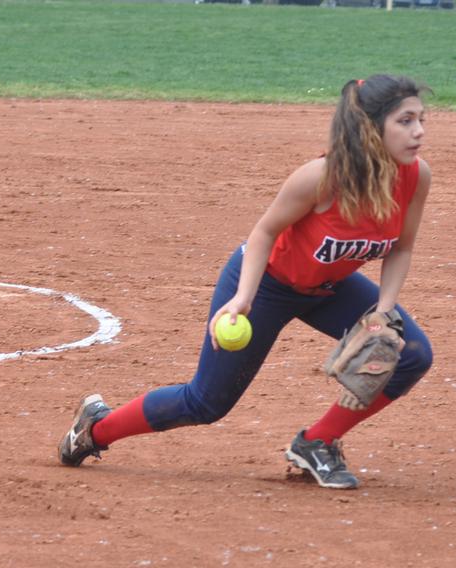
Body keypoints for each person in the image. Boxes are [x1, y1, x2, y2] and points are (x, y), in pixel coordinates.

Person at [58, 74, 434, 490]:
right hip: (268, 284)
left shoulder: (415, 176)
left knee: (411, 353)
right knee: (206, 402)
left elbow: (401, 248)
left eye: (421, 119)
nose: (418, 131)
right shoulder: (322, 178)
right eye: (405, 120)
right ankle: (95, 429)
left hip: (330, 288)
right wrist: (243, 298)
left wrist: (384, 310)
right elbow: (264, 233)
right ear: (370, 126)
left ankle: (317, 443)